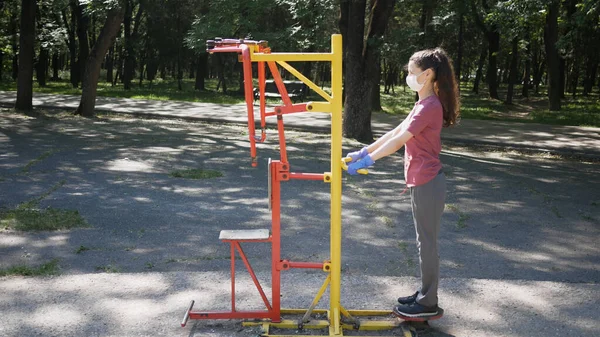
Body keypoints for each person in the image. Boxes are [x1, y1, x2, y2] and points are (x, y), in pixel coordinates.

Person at [345, 48, 460, 318]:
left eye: (412, 73)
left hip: (428, 182)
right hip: (422, 182)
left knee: (427, 243)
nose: (408, 77)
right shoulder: (421, 104)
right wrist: (363, 151)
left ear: (428, 74)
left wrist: (368, 161)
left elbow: (399, 142)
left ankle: (428, 301)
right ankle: (424, 293)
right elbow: (394, 132)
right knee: (424, 241)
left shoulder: (430, 106)